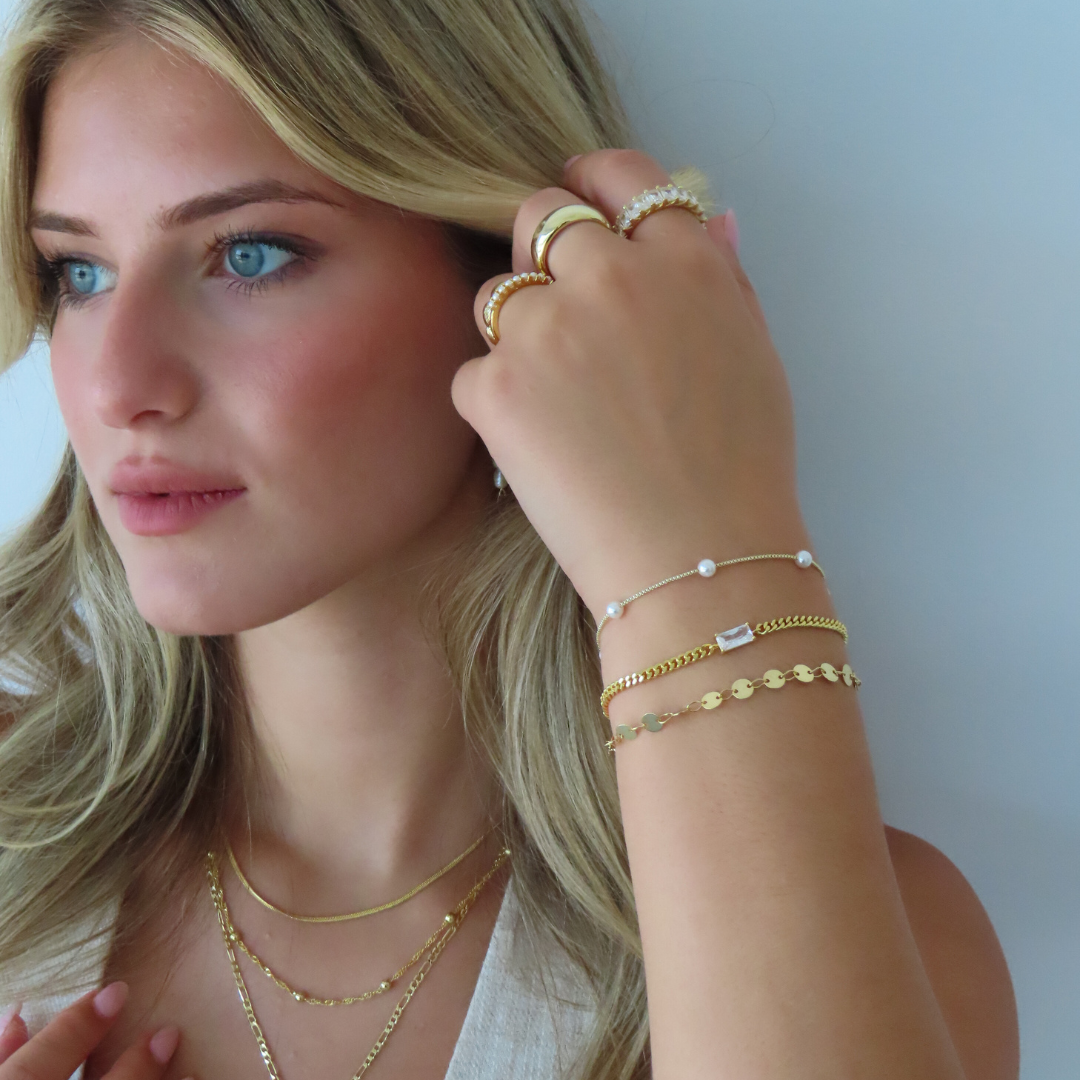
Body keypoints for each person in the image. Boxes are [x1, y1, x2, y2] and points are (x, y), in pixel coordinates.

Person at [0, 1, 1019, 1078]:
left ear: (510, 285)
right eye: (79, 272)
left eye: (249, 255)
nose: (116, 387)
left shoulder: (879, 946)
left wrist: (706, 536)